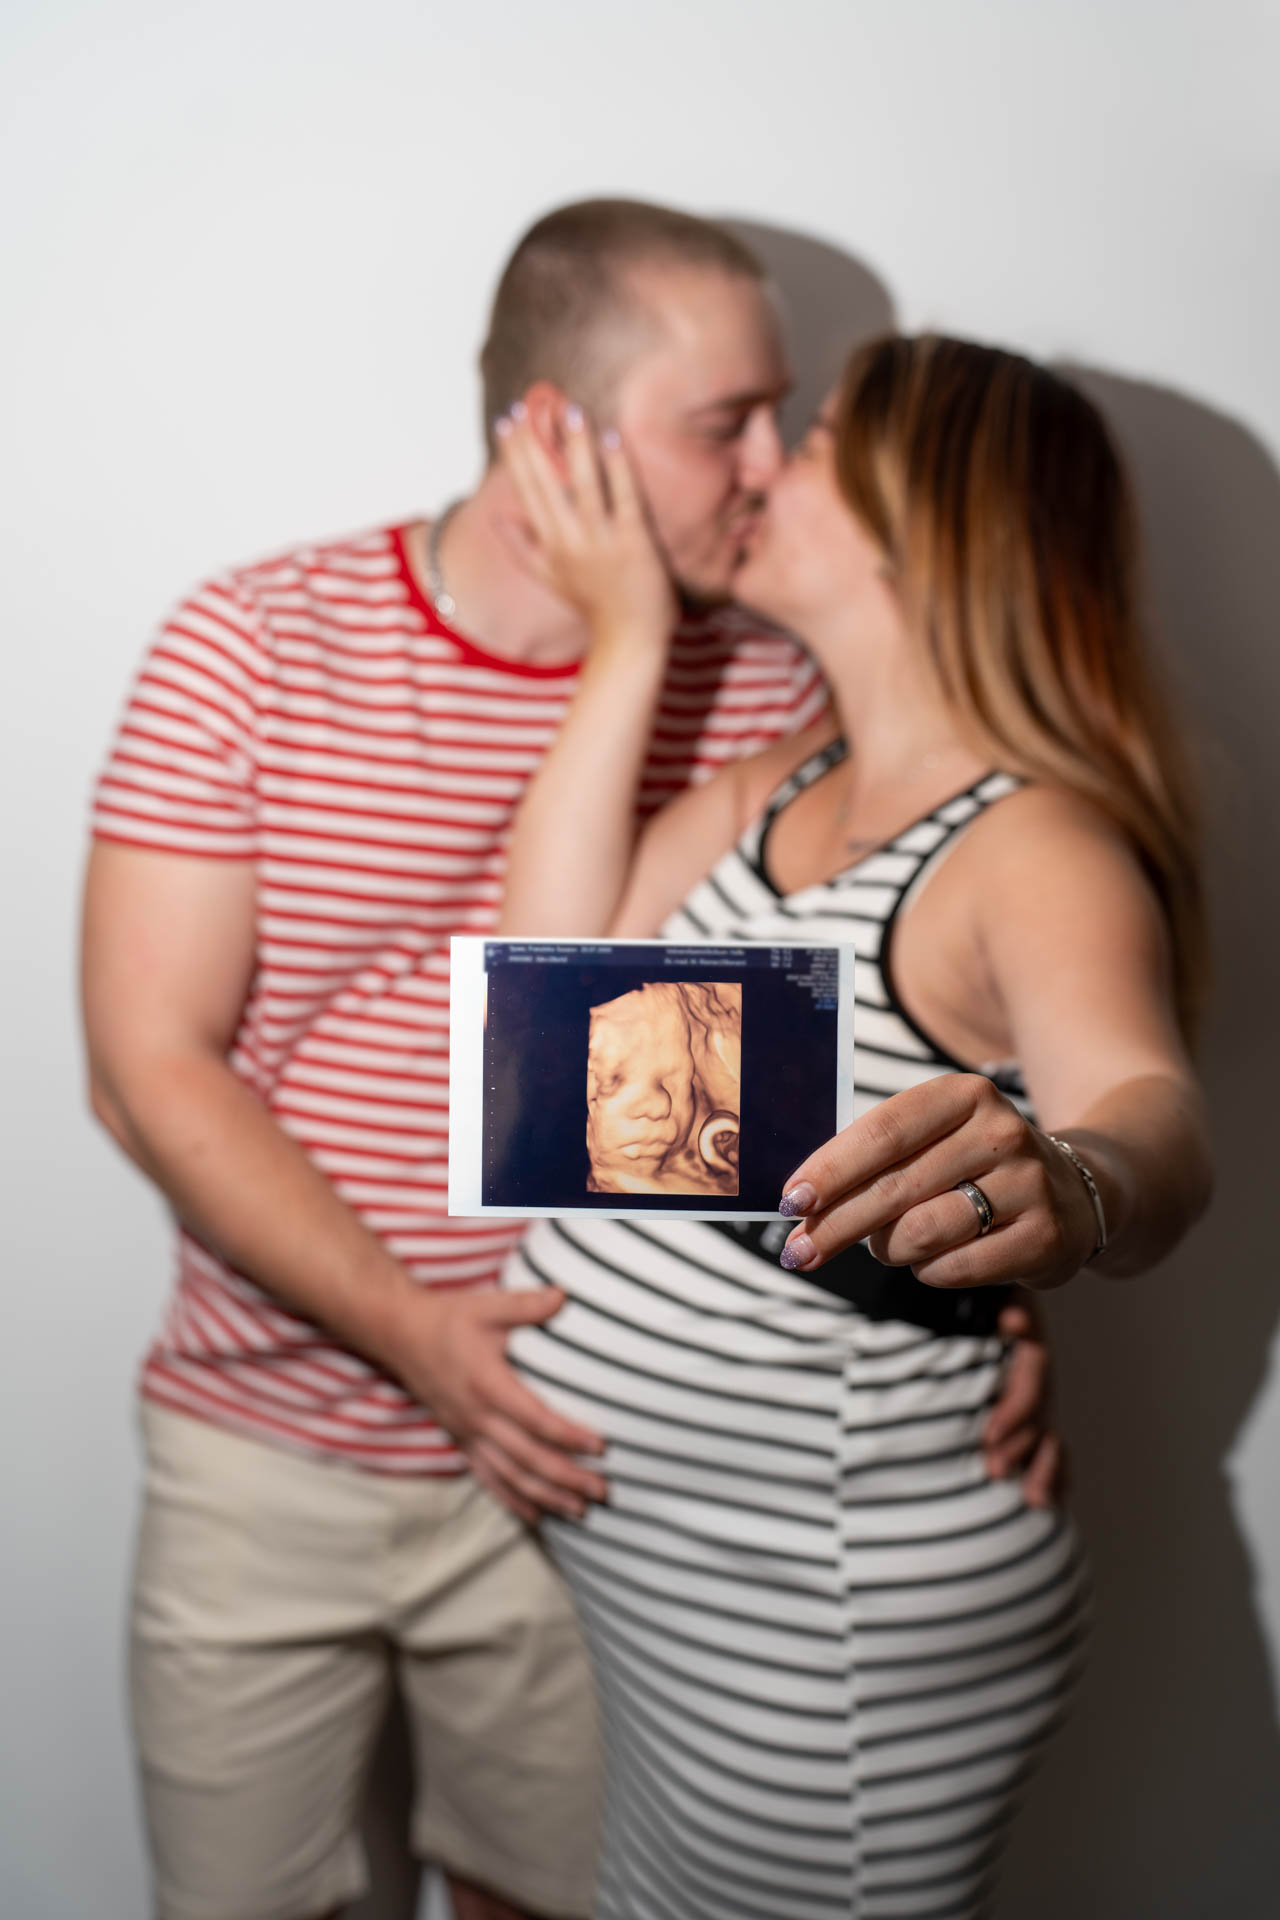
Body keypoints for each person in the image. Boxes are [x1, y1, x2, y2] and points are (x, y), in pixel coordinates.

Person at [81, 194, 1059, 1920]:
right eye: (723, 422)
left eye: (785, 418)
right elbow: (148, 1071)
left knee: (554, 1897)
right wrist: (419, 1342)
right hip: (271, 1452)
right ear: (552, 433)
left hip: (597, 1473)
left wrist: (975, 1295)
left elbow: (758, 1100)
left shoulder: (765, 700)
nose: (767, 464)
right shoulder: (251, 646)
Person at [493, 332, 1213, 1918]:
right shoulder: (773, 786)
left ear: (923, 518)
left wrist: (1076, 1190)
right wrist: (626, 643)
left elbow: (1150, 1116)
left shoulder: (1034, 844)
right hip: (679, 1591)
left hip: (832, 1615)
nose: (762, 467)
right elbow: (542, 1024)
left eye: (808, 445)